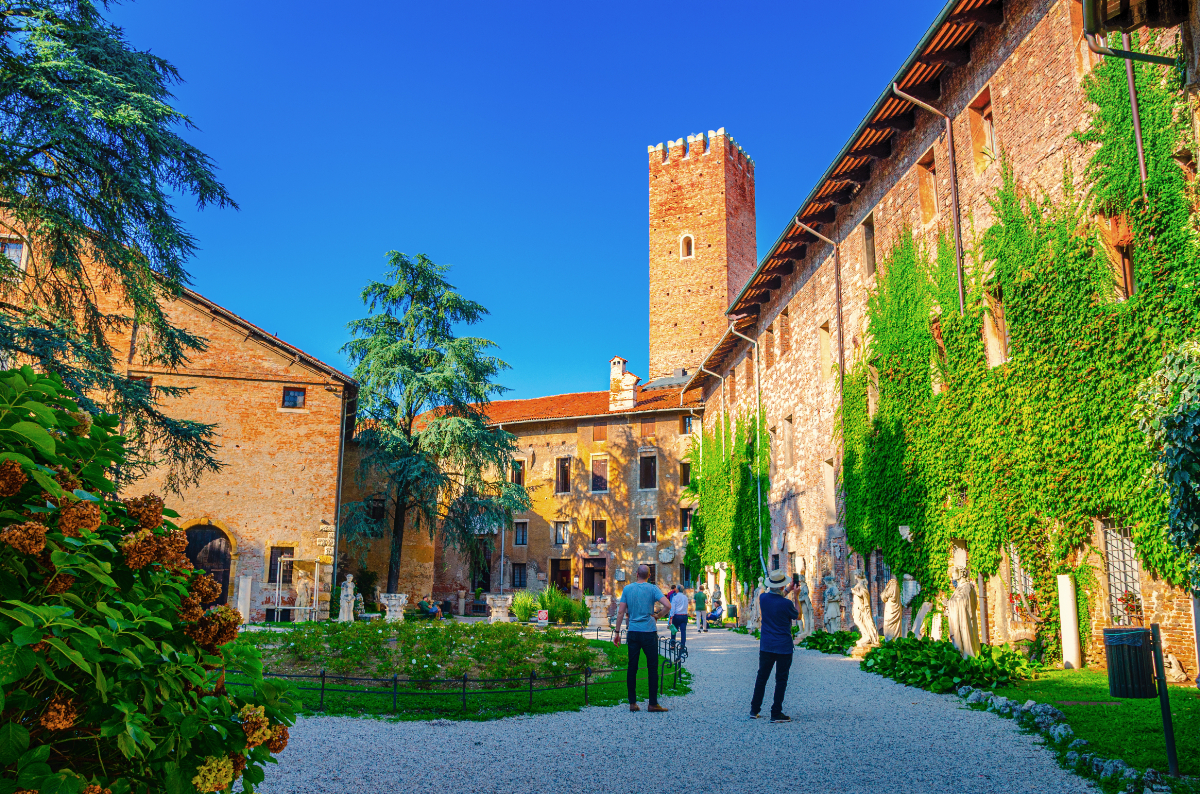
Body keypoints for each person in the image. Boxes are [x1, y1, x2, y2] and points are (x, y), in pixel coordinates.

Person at [612, 564, 672, 713]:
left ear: (636, 574)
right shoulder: (652, 589)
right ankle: (652, 703)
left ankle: (632, 703)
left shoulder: (627, 589)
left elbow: (620, 613)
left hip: (633, 631)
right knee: (652, 668)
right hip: (649, 631)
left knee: (632, 667)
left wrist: (617, 632)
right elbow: (668, 605)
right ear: (649, 575)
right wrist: (658, 615)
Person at [749, 570, 800, 723]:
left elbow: (776, 599)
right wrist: (795, 595)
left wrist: (788, 590)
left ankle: (754, 710)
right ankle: (776, 713)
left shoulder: (763, 598)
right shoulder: (787, 603)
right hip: (783, 646)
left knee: (762, 677)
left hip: (766, 645)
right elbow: (797, 615)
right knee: (781, 679)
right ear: (782, 585)